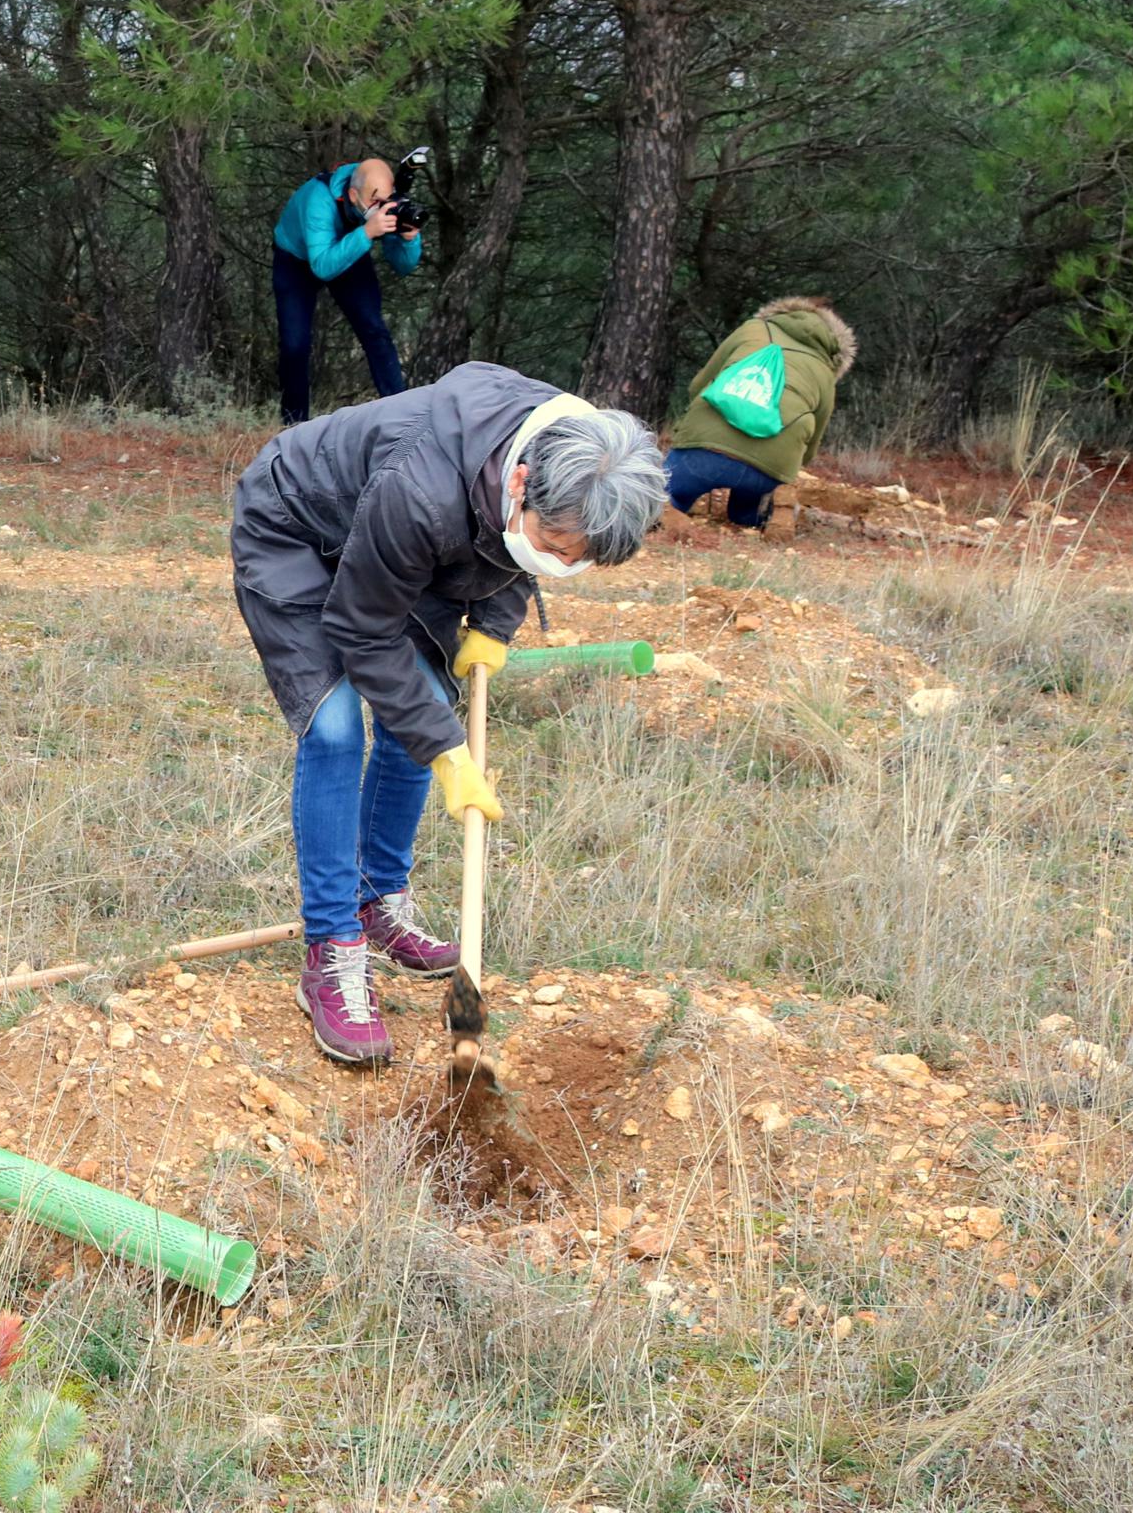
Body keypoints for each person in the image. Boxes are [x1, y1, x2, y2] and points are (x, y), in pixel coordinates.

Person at [230, 366, 665, 1066]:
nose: (559, 564)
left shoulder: (578, 445)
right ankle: (333, 947)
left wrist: (494, 620)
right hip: (296, 526)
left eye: (575, 562)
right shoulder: (421, 487)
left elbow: (516, 554)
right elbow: (361, 628)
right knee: (338, 722)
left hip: (411, 550)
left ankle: (378, 903)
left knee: (425, 708)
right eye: (554, 547)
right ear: (521, 483)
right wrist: (448, 750)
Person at [665, 296, 856, 531]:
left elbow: (697, 385)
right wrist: (783, 469)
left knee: (668, 495)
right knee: (746, 512)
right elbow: (813, 441)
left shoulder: (752, 330)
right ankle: (763, 513)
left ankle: (668, 512)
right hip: (767, 469)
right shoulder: (825, 370)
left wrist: (687, 431)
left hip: (702, 453)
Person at [272, 153, 423, 425]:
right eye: (375, 202)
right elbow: (322, 266)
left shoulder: (381, 200)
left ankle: (402, 420)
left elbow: (403, 266)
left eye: (385, 201)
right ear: (353, 195)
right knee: (295, 344)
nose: (381, 207)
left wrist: (408, 239)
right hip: (297, 259)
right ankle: (293, 425)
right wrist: (367, 232)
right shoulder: (318, 200)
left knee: (374, 329)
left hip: (349, 245)